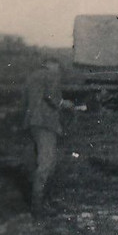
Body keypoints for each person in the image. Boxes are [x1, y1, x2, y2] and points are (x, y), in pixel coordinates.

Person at [21, 57, 72, 215]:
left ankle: (42, 201)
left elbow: (25, 101)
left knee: (41, 162)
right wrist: (65, 104)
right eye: (57, 66)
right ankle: (39, 206)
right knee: (47, 163)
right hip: (46, 123)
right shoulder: (51, 75)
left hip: (32, 123)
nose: (58, 69)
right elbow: (52, 97)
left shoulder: (32, 76)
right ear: (51, 65)